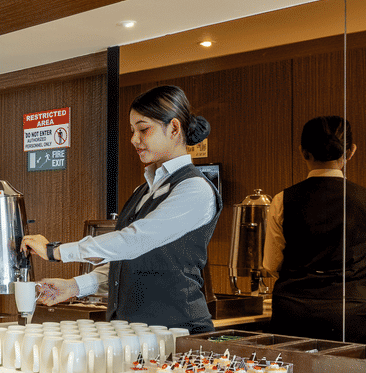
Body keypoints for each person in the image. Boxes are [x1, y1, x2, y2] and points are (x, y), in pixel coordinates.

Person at [21, 85, 220, 332]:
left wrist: (55, 251)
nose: (134, 139)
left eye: (143, 129)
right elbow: (128, 263)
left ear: (174, 128)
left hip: (178, 333)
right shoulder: (143, 190)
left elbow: (133, 241)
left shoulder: (195, 189)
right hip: (133, 333)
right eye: (132, 131)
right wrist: (75, 286)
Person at [263, 115, 366, 343]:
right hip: (348, 314)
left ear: (303, 152)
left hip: (293, 312)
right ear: (350, 152)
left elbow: (271, 263)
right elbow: (360, 245)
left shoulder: (282, 200)